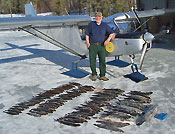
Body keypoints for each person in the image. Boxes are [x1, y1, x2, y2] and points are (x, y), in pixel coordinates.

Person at [85, 12, 115, 81]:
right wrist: (88, 43)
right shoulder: (91, 24)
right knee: (92, 60)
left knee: (102, 60)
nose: (98, 18)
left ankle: (102, 75)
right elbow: (87, 34)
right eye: (96, 17)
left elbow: (111, 33)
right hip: (93, 45)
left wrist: (107, 40)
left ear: (102, 17)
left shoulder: (105, 25)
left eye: (99, 16)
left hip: (102, 45)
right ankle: (94, 74)